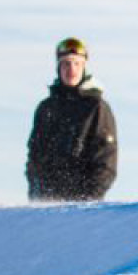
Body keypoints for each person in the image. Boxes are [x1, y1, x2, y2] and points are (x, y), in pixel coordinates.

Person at [25, 36, 118, 201]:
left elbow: (106, 161)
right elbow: (34, 156)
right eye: (66, 63)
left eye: (77, 63)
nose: (71, 69)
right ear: (59, 68)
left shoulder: (96, 107)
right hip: (47, 205)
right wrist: (37, 194)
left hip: (82, 208)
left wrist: (88, 199)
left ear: (84, 68)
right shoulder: (46, 108)